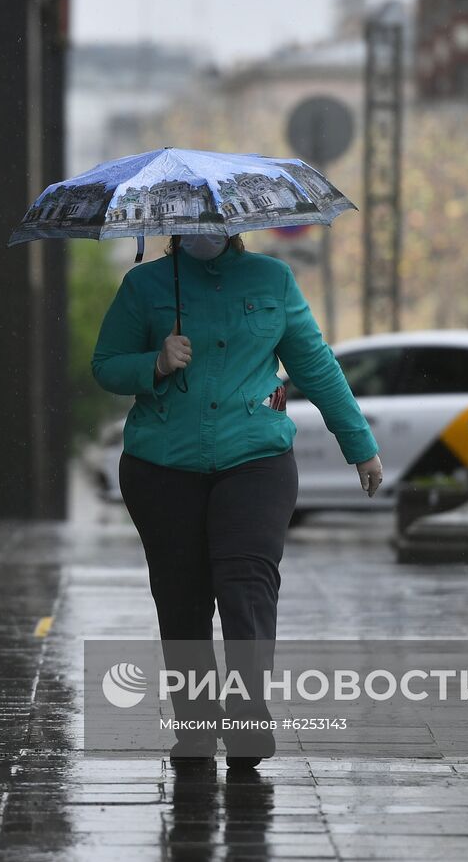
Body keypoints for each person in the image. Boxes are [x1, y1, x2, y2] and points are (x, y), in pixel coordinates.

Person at [92, 232, 382, 770]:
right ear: (175, 227)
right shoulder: (145, 284)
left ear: (232, 223)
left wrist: (359, 444)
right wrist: (153, 364)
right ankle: (196, 730)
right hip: (161, 465)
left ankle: (247, 714)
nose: (204, 230)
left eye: (214, 218)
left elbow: (315, 364)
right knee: (182, 597)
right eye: (193, 220)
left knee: (246, 581)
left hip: (256, 459)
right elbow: (106, 364)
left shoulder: (272, 279)